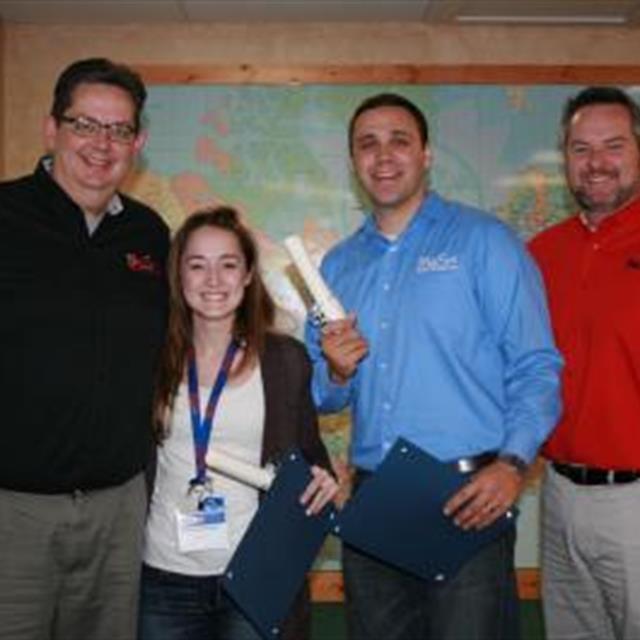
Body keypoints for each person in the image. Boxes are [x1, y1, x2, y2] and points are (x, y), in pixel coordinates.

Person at [305, 92, 563, 640]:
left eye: (400, 140)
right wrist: (337, 371)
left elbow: (536, 365)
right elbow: (323, 397)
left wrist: (513, 465)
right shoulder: (338, 265)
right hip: (375, 499)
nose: (384, 156)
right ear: (354, 162)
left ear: (426, 155)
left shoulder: (486, 242)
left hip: (471, 494)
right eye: (367, 144)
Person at [0, 58, 169, 640]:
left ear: (137, 143)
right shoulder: (5, 215)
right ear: (51, 129)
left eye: (119, 130)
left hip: (118, 511)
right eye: (85, 124)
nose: (102, 144)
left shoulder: (149, 235)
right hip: (13, 513)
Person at [139, 206, 339, 640]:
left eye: (228, 265)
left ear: (248, 275)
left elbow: (309, 459)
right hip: (163, 578)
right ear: (179, 276)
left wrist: (321, 483)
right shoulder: (149, 359)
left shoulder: (285, 360)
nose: (213, 280)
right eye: (197, 265)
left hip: (254, 575)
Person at [529, 86, 640, 640]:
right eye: (580, 149)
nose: (597, 163)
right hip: (559, 495)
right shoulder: (542, 254)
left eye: (613, 146)